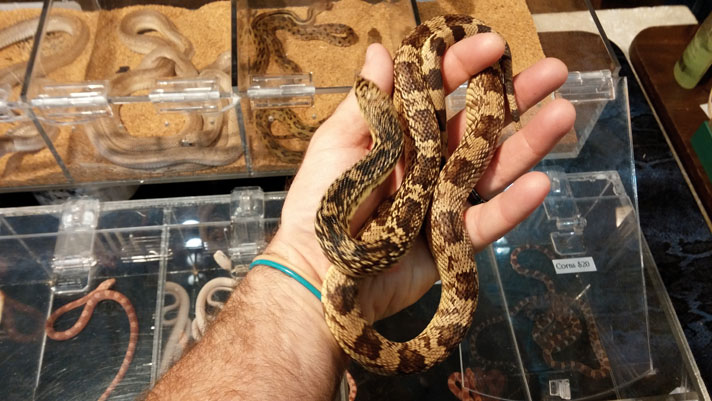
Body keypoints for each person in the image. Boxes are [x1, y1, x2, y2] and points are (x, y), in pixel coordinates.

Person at [145, 33, 575, 400]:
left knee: (439, 161)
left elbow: (423, 163)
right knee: (431, 158)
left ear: (379, 128)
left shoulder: (373, 175)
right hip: (371, 223)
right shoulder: (348, 205)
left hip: (398, 197)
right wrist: (304, 270)